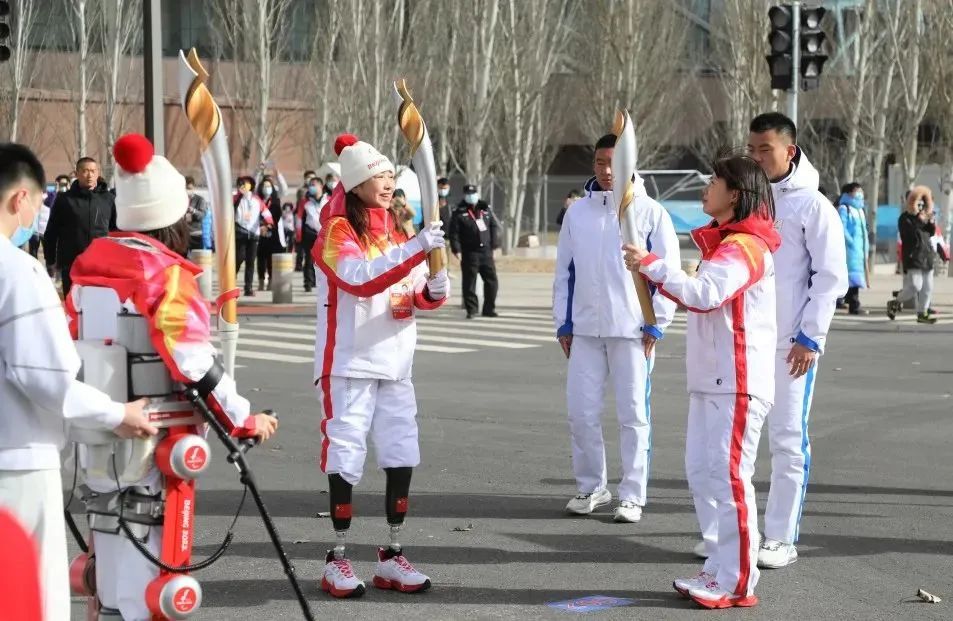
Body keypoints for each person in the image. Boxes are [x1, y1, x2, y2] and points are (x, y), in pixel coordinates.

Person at [66, 134, 278, 620]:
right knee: (152, 573)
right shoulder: (166, 274)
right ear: (172, 217)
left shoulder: (87, 269)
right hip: (154, 442)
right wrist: (243, 420)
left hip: (98, 437)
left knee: (111, 559)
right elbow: (194, 363)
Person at [0, 141, 156, 621]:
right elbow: (47, 378)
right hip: (17, 466)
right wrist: (118, 414)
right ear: (19, 200)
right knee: (28, 601)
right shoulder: (17, 273)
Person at [625, 153, 780, 609]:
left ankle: (737, 582)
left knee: (730, 478)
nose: (706, 186)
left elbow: (705, 294)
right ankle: (718, 564)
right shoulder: (725, 245)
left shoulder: (747, 247)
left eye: (714, 179)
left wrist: (652, 265)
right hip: (712, 381)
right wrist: (653, 269)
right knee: (703, 473)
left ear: (735, 193)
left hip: (737, 382)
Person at [313, 133, 448, 599]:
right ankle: (338, 559)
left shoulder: (395, 232)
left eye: (391, 173)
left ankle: (392, 554)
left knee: (401, 454)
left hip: (396, 363)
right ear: (355, 182)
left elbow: (402, 296)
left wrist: (431, 291)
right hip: (349, 363)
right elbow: (359, 280)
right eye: (379, 175)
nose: (388, 182)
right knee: (346, 456)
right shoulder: (335, 232)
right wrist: (416, 250)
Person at [552, 133, 680, 523]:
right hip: (586, 331)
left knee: (633, 415)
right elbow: (565, 272)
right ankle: (593, 486)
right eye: (599, 163)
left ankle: (632, 495)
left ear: (628, 163)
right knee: (581, 414)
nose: (606, 171)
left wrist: (656, 323)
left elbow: (667, 274)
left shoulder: (650, 211)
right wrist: (564, 323)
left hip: (633, 331)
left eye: (613, 163)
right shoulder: (578, 213)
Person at [744, 113, 847, 569]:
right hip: (749, 341)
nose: (757, 156)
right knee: (740, 442)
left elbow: (831, 278)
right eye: (752, 149)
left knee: (786, 440)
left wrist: (810, 337)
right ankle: (736, 533)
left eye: (765, 149)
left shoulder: (813, 205)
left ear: (790, 150)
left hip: (792, 345)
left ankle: (780, 537)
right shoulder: (749, 199)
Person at [44, 156, 117, 294]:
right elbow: (51, 232)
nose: (89, 175)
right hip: (72, 264)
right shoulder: (64, 200)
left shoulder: (109, 199)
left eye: (93, 171)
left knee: (99, 305)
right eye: (85, 171)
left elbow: (116, 231)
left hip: (101, 265)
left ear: (98, 173)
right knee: (74, 307)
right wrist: (50, 260)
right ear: (77, 173)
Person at [449, 184, 500, 318]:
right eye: (469, 193)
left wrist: (495, 246)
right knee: (469, 282)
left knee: (492, 281)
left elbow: (493, 227)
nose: (471, 196)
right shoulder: (459, 211)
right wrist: (457, 250)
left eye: (473, 193)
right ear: (465, 195)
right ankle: (472, 310)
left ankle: (489, 309)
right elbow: (454, 233)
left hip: (486, 252)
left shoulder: (485, 208)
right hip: (469, 252)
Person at [234, 175, 273, 297]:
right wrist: (239, 196)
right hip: (240, 232)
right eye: (242, 183)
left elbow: (266, 213)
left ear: (251, 185)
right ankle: (230, 283)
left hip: (254, 234)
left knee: (250, 262)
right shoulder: (235, 198)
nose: (244, 186)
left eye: (247, 183)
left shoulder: (257, 200)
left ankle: (248, 287)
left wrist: (268, 225)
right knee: (238, 259)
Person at [836, 183, 870, 315]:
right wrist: (850, 242)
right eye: (857, 191)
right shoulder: (845, 209)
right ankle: (854, 305)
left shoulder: (860, 210)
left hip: (859, 250)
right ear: (849, 193)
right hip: (850, 249)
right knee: (852, 277)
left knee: (854, 277)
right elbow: (842, 228)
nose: (860, 194)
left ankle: (849, 301)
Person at [256, 172, 287, 291]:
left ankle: (270, 281)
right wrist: (261, 226)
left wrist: (268, 226)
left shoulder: (275, 201)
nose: (266, 188)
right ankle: (261, 281)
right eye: (264, 186)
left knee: (270, 258)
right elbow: (255, 215)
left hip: (272, 232)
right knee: (260, 258)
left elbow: (277, 215)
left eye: (269, 186)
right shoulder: (257, 200)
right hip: (260, 232)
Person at [297, 175, 327, 292]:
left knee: (324, 260)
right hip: (309, 233)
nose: (311, 187)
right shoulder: (305, 202)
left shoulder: (328, 200)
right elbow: (299, 219)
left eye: (314, 185)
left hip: (324, 234)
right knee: (309, 259)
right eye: (310, 185)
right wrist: (299, 234)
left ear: (321, 186)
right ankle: (308, 283)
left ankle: (321, 282)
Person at [296, 170, 318, 270]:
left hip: (317, 224)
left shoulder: (320, 190)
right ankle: (300, 265)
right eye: (308, 178)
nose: (310, 180)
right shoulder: (302, 191)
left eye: (312, 177)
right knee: (305, 251)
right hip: (305, 222)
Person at [185, 176, 209, 253]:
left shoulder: (200, 200)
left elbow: (203, 215)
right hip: (183, 234)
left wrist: (194, 211)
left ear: (193, 188)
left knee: (196, 259)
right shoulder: (180, 199)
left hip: (196, 234)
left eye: (189, 188)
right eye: (186, 188)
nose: (188, 190)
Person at [437, 177, 453, 274]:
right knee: (439, 257)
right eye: (441, 188)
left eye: (445, 188)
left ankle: (447, 270)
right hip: (437, 234)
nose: (443, 191)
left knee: (447, 254)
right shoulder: (433, 199)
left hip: (448, 234)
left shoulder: (450, 199)